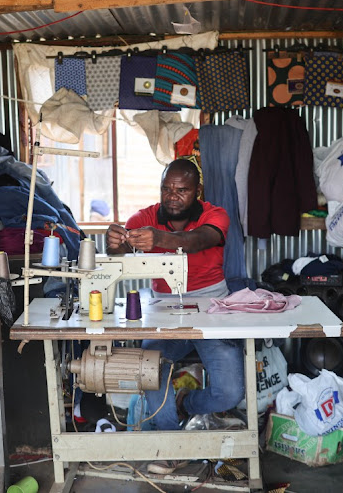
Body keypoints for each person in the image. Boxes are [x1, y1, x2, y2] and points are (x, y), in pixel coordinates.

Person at [106, 159, 244, 474]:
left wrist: (159, 239)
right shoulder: (145, 218)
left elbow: (198, 241)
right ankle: (171, 445)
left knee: (230, 392)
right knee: (150, 365)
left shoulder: (215, 215)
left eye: (182, 190)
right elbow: (120, 254)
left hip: (211, 306)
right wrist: (114, 243)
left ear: (198, 190)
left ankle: (185, 404)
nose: (173, 196)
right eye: (167, 188)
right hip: (164, 307)